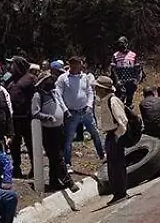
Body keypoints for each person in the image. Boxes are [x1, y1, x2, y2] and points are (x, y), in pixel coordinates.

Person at [31, 75, 79, 192]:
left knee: (56, 157)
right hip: (49, 131)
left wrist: (65, 112)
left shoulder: (54, 92)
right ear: (43, 82)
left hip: (59, 128)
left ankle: (54, 181)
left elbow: (60, 104)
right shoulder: (38, 96)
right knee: (57, 156)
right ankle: (68, 181)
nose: (51, 82)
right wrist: (48, 117)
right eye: (48, 80)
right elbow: (35, 113)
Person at [57, 57, 105, 170]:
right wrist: (65, 110)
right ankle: (68, 163)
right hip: (71, 113)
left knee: (96, 134)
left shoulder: (85, 77)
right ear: (71, 65)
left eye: (80, 64)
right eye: (77, 64)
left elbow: (89, 92)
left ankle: (102, 155)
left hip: (85, 111)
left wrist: (89, 105)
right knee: (68, 139)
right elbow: (58, 95)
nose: (79, 67)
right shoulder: (63, 79)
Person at [93, 76, 129, 205]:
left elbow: (123, 121)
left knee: (116, 166)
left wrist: (117, 136)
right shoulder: (105, 101)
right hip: (110, 134)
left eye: (97, 87)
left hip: (115, 135)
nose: (95, 90)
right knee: (113, 166)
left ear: (103, 89)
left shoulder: (113, 101)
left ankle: (120, 193)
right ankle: (119, 192)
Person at [6, 57, 37, 178]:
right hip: (14, 118)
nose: (10, 67)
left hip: (27, 117)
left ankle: (35, 168)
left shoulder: (30, 79)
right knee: (15, 144)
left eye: (12, 64)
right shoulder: (10, 79)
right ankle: (16, 167)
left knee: (30, 144)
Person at [110, 36, 144, 106]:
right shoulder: (115, 55)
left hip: (131, 82)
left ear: (126, 44)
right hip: (120, 82)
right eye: (119, 44)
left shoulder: (133, 55)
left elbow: (137, 68)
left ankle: (128, 115)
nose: (121, 45)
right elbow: (113, 70)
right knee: (120, 100)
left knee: (129, 101)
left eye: (122, 43)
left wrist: (136, 80)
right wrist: (117, 81)